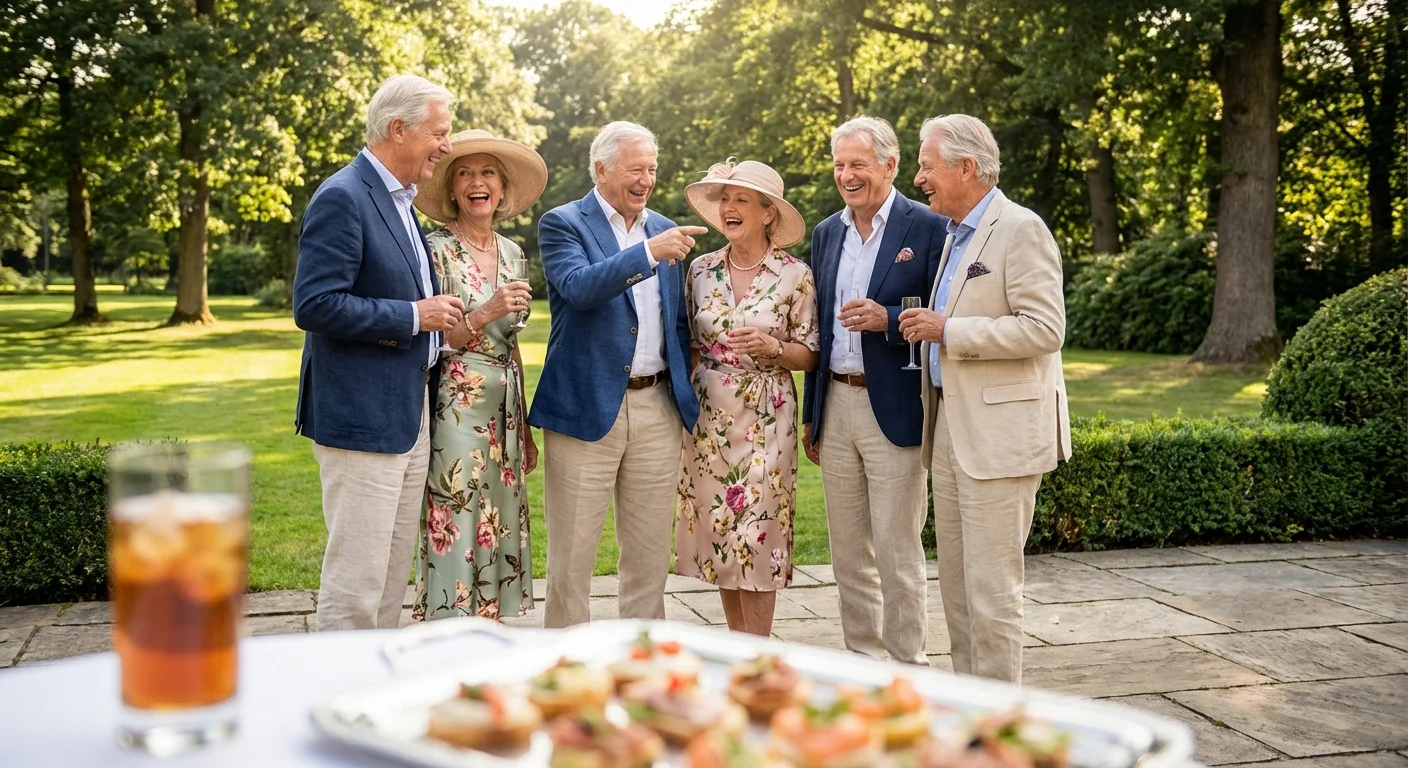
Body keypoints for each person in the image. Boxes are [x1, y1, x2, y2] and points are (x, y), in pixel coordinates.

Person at [899, 114, 1072, 683]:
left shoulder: (1021, 229)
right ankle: (968, 711)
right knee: (955, 583)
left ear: (965, 168)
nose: (919, 179)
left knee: (993, 590)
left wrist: (948, 330)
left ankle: (1001, 728)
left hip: (998, 436)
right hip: (949, 425)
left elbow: (1044, 330)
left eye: (927, 166)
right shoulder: (954, 234)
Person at [293, 75, 463, 631]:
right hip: (361, 417)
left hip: (406, 412)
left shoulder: (400, 201)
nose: (446, 145)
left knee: (390, 577)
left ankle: (375, 693)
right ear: (398, 129)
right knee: (357, 583)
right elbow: (315, 304)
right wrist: (416, 316)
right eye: (439, 133)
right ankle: (335, 701)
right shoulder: (344, 196)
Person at [529, 121, 706, 628]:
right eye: (636, 168)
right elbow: (579, 287)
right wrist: (648, 254)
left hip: (657, 409)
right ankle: (565, 666)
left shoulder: (663, 227)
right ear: (602, 168)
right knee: (573, 557)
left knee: (649, 556)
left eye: (652, 169)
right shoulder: (563, 223)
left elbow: (676, 320)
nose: (646, 179)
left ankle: (642, 663)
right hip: (586, 408)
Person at [801, 116, 950, 664]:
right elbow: (817, 325)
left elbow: (943, 316)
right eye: (840, 165)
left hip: (896, 406)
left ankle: (910, 667)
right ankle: (861, 664)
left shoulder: (929, 226)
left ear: (889, 165)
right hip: (836, 403)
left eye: (858, 164)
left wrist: (886, 318)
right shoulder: (826, 232)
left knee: (897, 550)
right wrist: (812, 417)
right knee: (848, 553)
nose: (847, 175)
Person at [674, 159, 820, 636]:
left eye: (741, 200)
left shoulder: (794, 274)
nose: (729, 208)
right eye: (725, 199)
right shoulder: (701, 269)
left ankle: (759, 652)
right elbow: (692, 344)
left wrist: (774, 348)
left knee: (757, 536)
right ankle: (741, 649)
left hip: (766, 414)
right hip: (709, 418)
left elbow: (811, 354)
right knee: (722, 537)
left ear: (768, 213)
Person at [408, 130, 547, 621]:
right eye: (464, 173)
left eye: (487, 172)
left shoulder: (513, 254)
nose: (476, 182)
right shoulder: (434, 249)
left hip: (506, 410)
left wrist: (526, 430)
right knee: (457, 518)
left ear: (502, 187)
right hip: (456, 405)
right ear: (450, 190)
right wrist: (486, 310)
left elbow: (514, 347)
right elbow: (435, 341)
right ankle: (447, 631)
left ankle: (489, 634)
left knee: (499, 523)